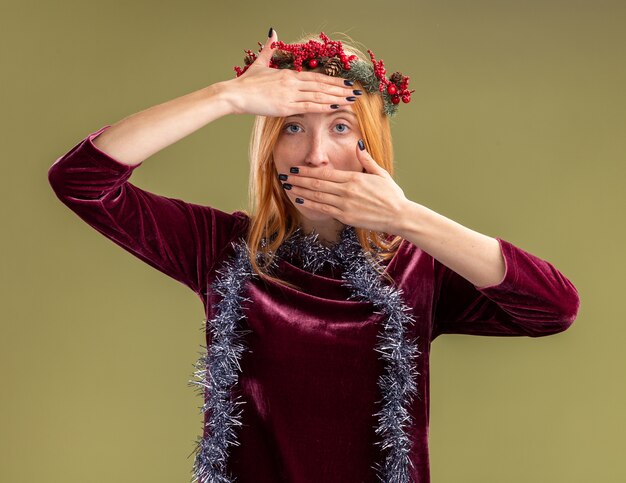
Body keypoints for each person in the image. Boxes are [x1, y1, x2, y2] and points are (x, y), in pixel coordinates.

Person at [48, 28, 580, 483]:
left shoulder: (420, 265)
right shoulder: (221, 248)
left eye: (340, 127)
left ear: (370, 143)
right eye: (294, 128)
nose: (317, 154)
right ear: (270, 147)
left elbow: (552, 308)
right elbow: (81, 181)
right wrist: (226, 97)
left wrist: (406, 218)